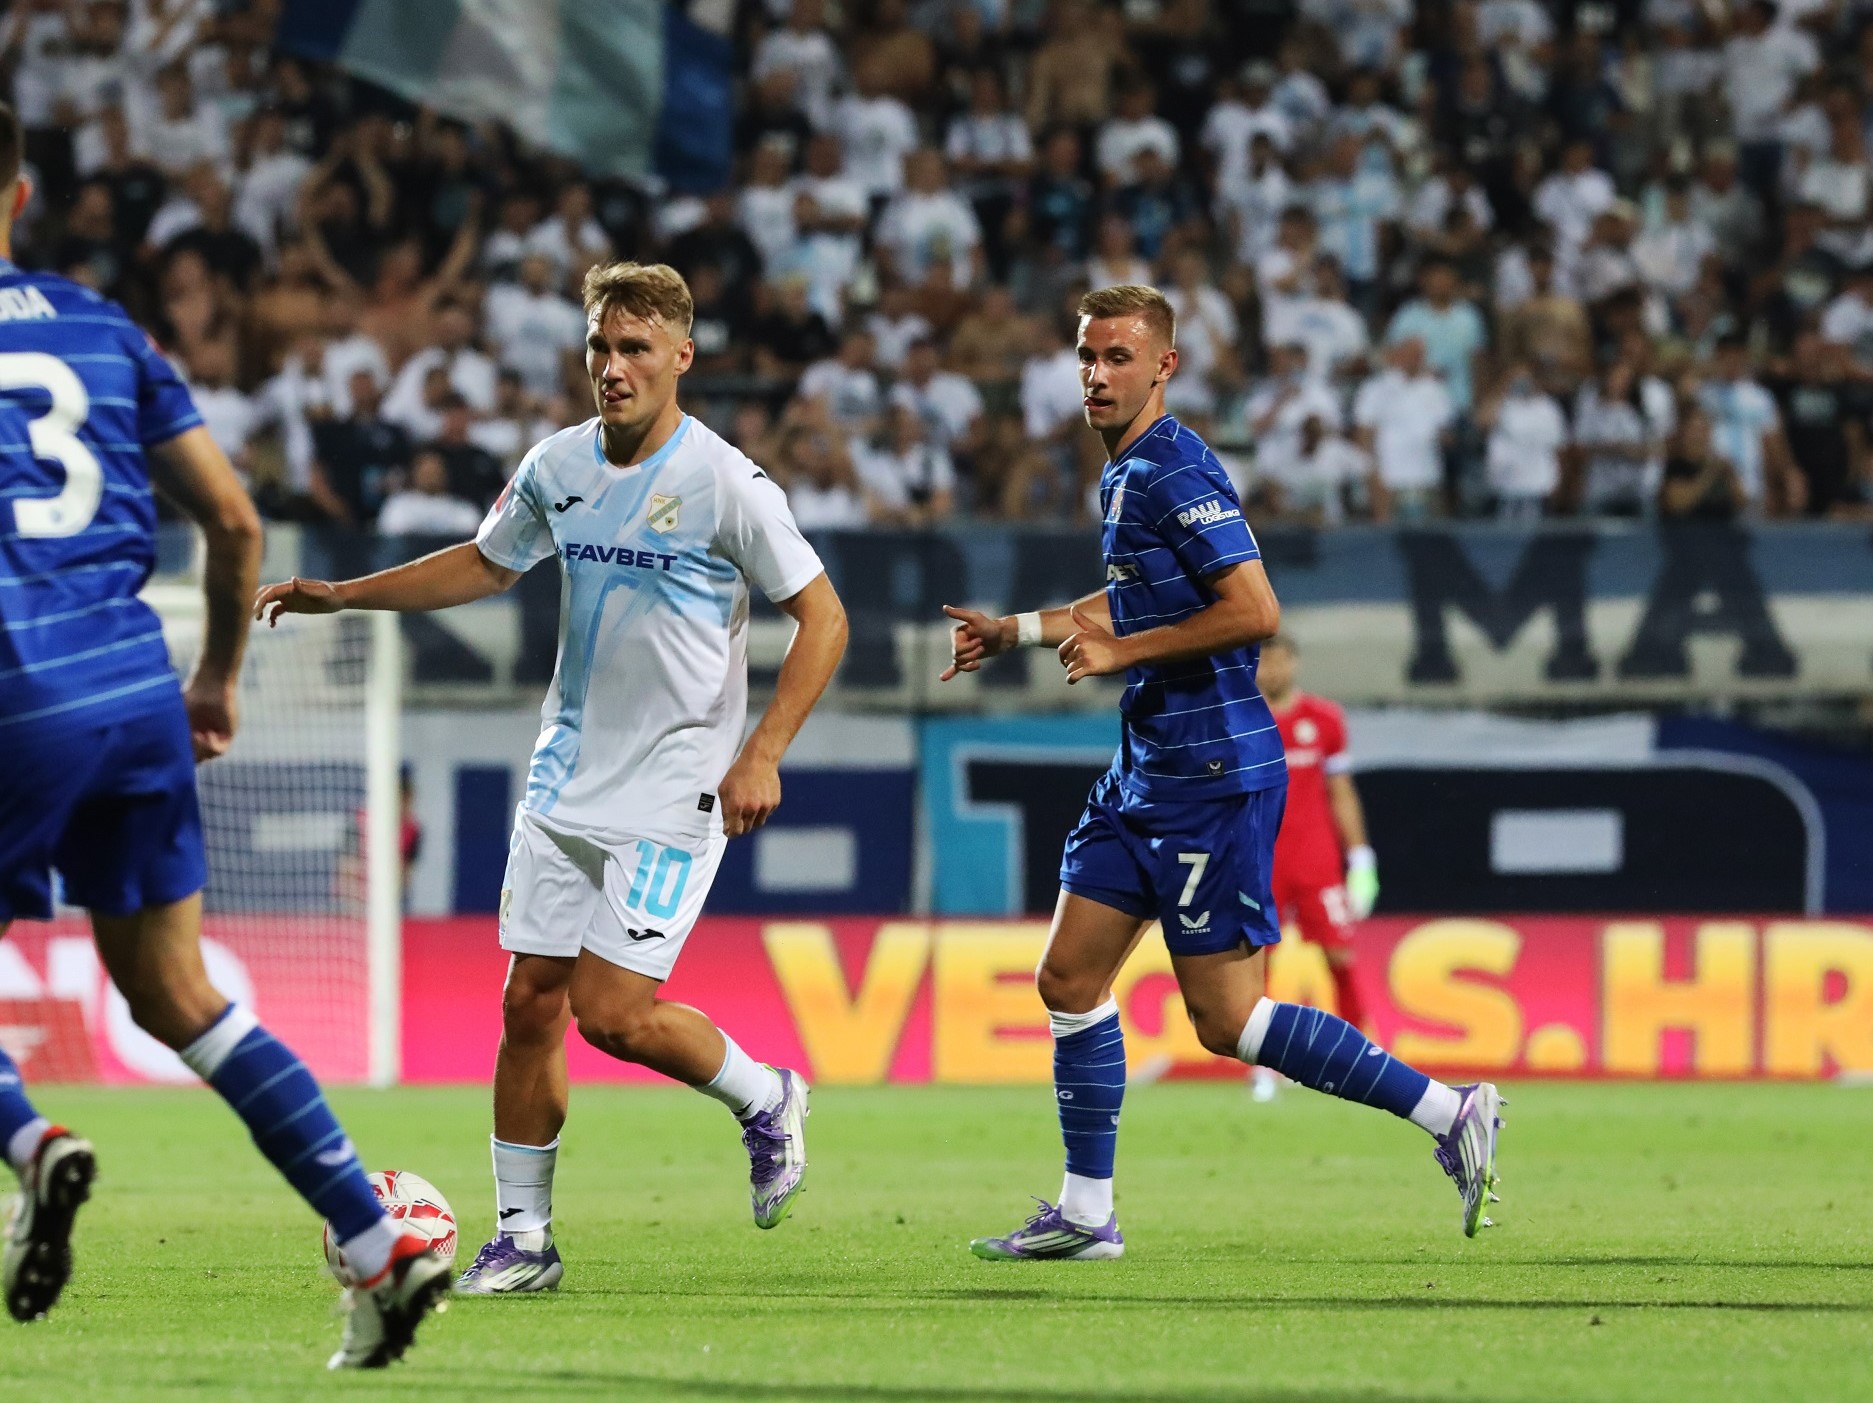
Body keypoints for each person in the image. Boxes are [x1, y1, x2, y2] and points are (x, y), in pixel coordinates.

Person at [0, 93, 449, 1368]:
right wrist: (216, 677)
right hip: (133, 694)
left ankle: (36, 1147)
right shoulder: (106, 328)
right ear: (21, 197)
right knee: (179, 992)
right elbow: (235, 521)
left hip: (2, 702)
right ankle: (373, 1241)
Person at [256, 262, 851, 1295]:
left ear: (681, 356)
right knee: (529, 1002)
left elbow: (824, 617)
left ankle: (766, 1096)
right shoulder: (557, 464)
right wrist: (343, 595)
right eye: (599, 348)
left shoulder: (726, 484)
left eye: (634, 349)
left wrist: (761, 752)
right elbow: (487, 562)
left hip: (675, 784)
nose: (612, 368)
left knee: (611, 1013)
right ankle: (523, 1240)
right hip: (565, 774)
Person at [936, 284, 1502, 1259]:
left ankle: (1449, 1111)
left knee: (1228, 1020)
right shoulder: (1122, 474)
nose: (1096, 374)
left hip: (1210, 774)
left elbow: (1254, 609)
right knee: (1068, 976)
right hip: (1145, 767)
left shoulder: (1175, 466)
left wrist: (1122, 653)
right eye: (1086, 356)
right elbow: (1126, 599)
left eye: (1118, 357)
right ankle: (1085, 1212)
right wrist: (1015, 630)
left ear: (1164, 366)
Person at [1248, 632, 1376, 1102]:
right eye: (1265, 663)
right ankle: (1263, 1067)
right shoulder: (1238, 720)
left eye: (1280, 662)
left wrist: (1360, 857)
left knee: (1339, 956)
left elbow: (1341, 792)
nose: (1273, 671)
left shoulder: (1325, 720)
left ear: (1295, 664)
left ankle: (1359, 1060)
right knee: (1256, 961)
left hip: (1316, 860)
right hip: (1258, 859)